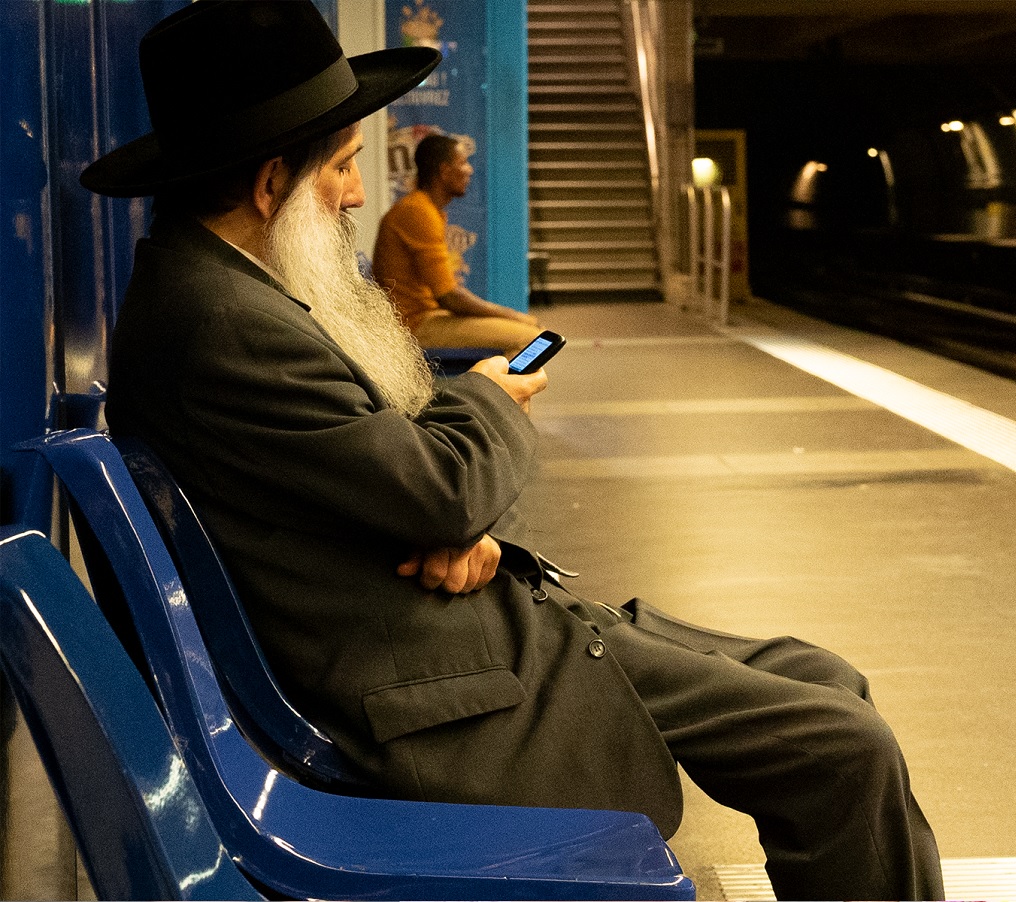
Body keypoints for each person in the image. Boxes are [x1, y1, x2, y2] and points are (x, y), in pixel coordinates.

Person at [81, 3, 942, 899]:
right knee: (844, 747)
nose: (356, 196)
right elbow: (443, 489)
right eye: (340, 169)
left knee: (823, 679)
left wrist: (449, 531)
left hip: (466, 631)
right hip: (448, 690)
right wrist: (491, 401)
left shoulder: (210, 296)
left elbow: (347, 486)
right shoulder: (224, 325)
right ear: (270, 184)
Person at [372, 131, 541, 353]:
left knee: (531, 334)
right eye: (463, 162)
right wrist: (515, 315)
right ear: (444, 171)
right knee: (533, 340)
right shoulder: (417, 211)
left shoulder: (425, 209)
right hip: (414, 324)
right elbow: (449, 296)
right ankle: (497, 388)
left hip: (427, 317)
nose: (469, 169)